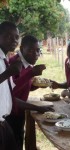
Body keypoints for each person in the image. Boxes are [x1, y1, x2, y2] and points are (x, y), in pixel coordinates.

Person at [6, 35, 53, 150]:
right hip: (9, 116)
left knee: (18, 142)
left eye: (38, 50)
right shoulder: (15, 64)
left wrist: (37, 85)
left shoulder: (27, 65)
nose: (36, 53)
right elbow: (9, 94)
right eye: (31, 50)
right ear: (22, 49)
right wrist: (31, 73)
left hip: (18, 112)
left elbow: (23, 87)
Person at [0, 21, 22, 150]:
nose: (14, 40)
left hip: (4, 121)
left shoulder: (4, 58)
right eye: (9, 36)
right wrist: (9, 72)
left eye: (16, 37)